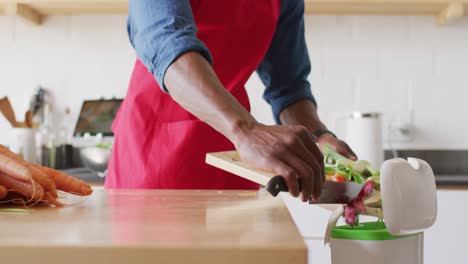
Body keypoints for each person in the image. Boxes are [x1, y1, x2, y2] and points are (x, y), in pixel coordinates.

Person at [105, 0, 357, 202]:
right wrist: (245, 130)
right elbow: (165, 43)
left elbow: (289, 87)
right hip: (153, 158)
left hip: (235, 160)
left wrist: (317, 136)